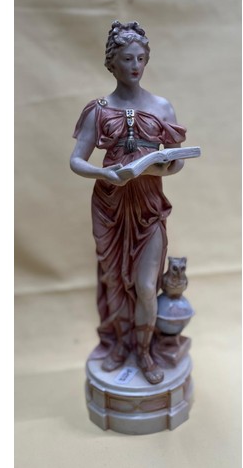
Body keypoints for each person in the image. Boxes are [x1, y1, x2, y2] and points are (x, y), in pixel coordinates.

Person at [70, 21, 187, 385]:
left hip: (148, 207)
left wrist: (157, 167)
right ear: (112, 63)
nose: (135, 65)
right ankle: (121, 346)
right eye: (126, 59)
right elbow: (77, 160)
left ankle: (145, 350)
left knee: (146, 285)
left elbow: (177, 161)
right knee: (115, 281)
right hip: (110, 205)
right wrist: (106, 173)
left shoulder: (161, 106)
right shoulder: (99, 110)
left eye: (140, 58)